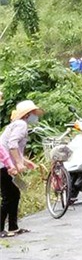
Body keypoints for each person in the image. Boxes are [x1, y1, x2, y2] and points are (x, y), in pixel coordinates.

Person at [0, 100, 42, 237]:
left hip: (6, 164)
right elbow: (12, 145)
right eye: (34, 113)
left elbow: (12, 147)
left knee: (14, 195)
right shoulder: (21, 124)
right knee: (8, 196)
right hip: (4, 165)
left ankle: (13, 226)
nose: (36, 115)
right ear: (28, 114)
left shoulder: (17, 124)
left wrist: (24, 161)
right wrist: (18, 164)